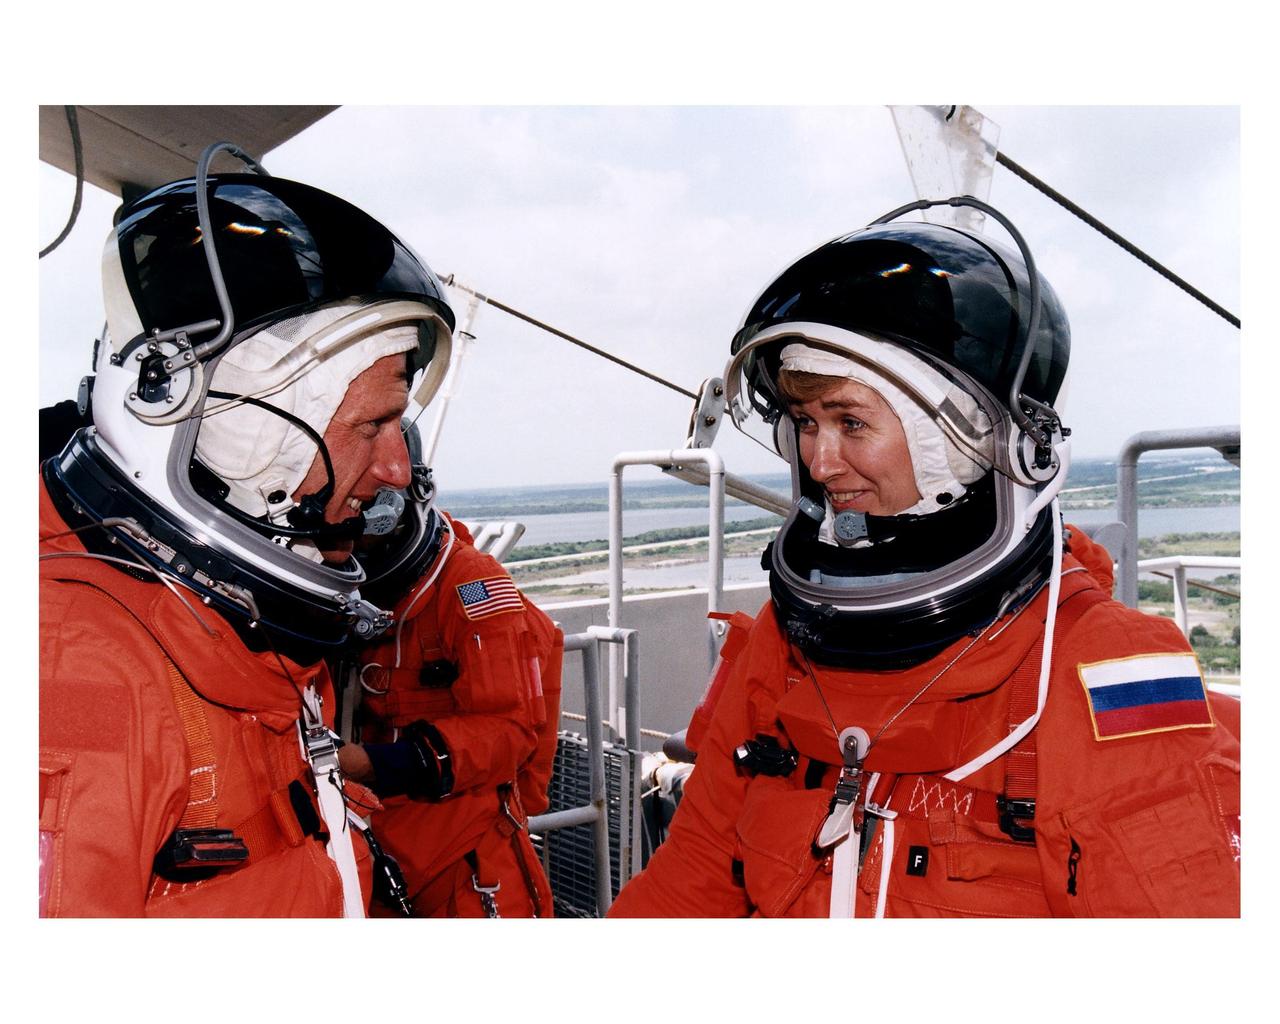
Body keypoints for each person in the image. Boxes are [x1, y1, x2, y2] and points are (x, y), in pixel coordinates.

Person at [608, 201, 1241, 918]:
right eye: (806, 424)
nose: (819, 460)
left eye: (851, 422)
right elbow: (693, 875)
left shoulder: (1101, 663)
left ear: (970, 440)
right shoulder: (783, 646)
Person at [38, 148, 456, 917]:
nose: (397, 469)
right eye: (375, 425)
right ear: (242, 441)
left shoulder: (243, 632)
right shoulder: (73, 673)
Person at [333, 421, 563, 918]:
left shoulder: (471, 585)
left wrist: (373, 764)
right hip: (371, 842)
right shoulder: (333, 577)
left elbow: (510, 730)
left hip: (466, 860)